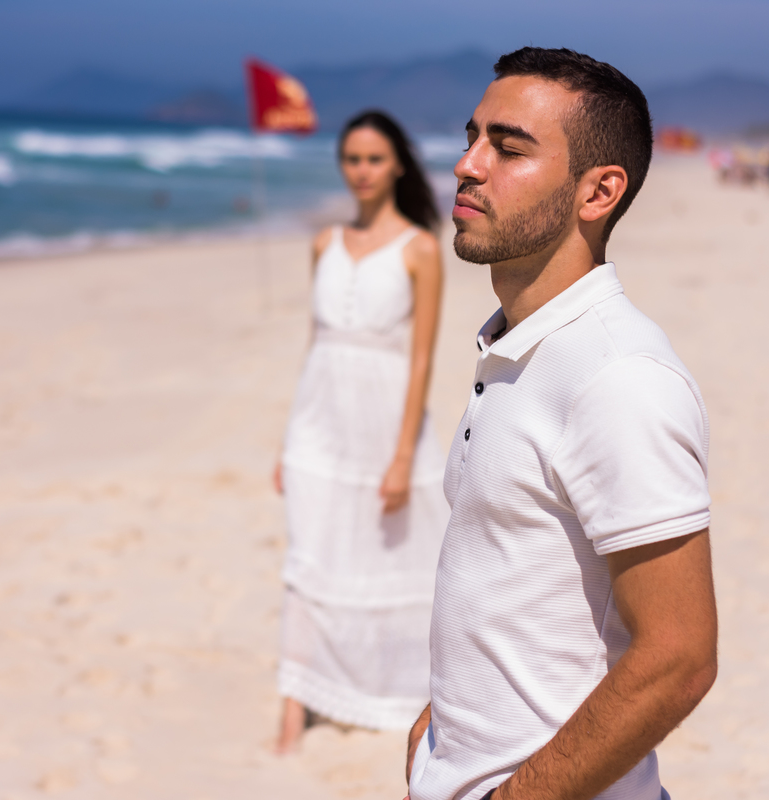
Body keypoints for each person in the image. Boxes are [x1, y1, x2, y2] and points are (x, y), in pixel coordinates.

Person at [405, 48, 717, 800]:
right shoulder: (519, 347)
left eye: (509, 148)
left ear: (598, 191)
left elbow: (679, 656)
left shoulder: (618, 375)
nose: (467, 165)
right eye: (472, 138)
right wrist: (436, 731)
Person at [274, 110, 448, 753]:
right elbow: (315, 344)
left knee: (389, 560)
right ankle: (293, 704)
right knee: (309, 555)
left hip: (383, 429)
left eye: (375, 159)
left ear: (398, 164)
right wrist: (288, 440)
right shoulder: (323, 242)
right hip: (317, 429)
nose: (363, 171)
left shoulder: (421, 249)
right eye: (352, 159)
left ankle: (393, 692)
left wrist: (402, 456)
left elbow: (422, 360)